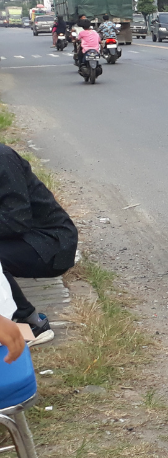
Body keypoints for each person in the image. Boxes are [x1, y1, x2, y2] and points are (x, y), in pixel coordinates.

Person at [0, 145, 78, 346]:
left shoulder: (3, 159)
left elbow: (17, 221)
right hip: (23, 237)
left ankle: (32, 323)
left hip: (49, 242)